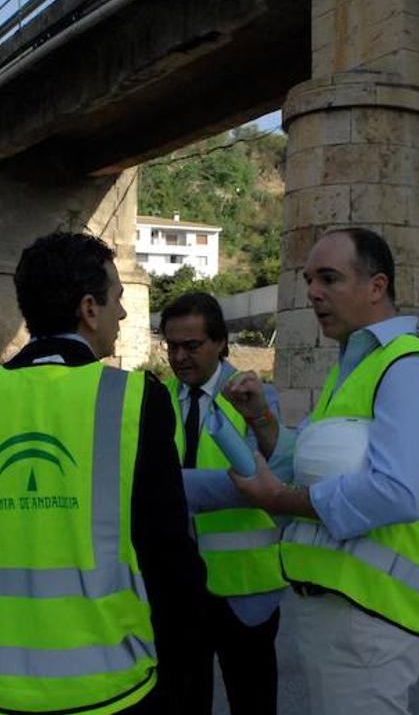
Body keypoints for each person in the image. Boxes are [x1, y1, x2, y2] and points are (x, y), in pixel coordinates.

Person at [0, 231, 208, 714]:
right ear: (89, 308)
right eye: (118, 300)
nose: (124, 315)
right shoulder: (133, 399)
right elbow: (168, 556)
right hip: (116, 688)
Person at [231, 227, 419, 715]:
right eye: (309, 280)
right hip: (338, 612)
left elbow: (397, 492)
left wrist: (278, 501)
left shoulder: (409, 370)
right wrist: (261, 418)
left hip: (370, 617)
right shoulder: (358, 366)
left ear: (377, 286)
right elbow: (318, 466)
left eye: (329, 278)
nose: (313, 293)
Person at [159, 292, 288, 714]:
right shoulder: (156, 401)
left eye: (191, 346)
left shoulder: (256, 399)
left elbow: (257, 482)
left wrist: (162, 487)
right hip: (178, 588)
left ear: (220, 343)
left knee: (252, 702)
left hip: (247, 589)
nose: (179, 356)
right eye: (171, 346)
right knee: (183, 702)